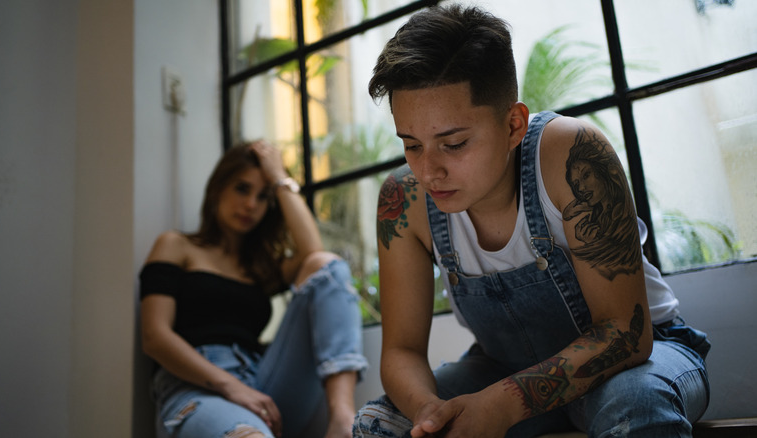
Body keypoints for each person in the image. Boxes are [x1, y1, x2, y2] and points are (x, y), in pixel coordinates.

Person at [354, 4, 710, 438]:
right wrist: (430, 414)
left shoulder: (569, 155)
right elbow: (402, 352)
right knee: (383, 424)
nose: (428, 171)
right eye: (412, 145)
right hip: (502, 368)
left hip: (639, 357)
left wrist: (503, 404)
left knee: (636, 405)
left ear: (513, 125)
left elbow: (627, 334)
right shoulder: (403, 199)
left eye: (454, 143)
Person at [140, 140, 368, 438]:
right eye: (242, 189)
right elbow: (154, 337)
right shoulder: (176, 246)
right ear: (218, 187)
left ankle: (341, 420)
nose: (251, 205)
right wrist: (230, 386)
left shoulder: (261, 268)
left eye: (263, 197)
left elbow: (315, 255)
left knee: (327, 265)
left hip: (262, 383)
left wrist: (280, 180)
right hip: (196, 387)